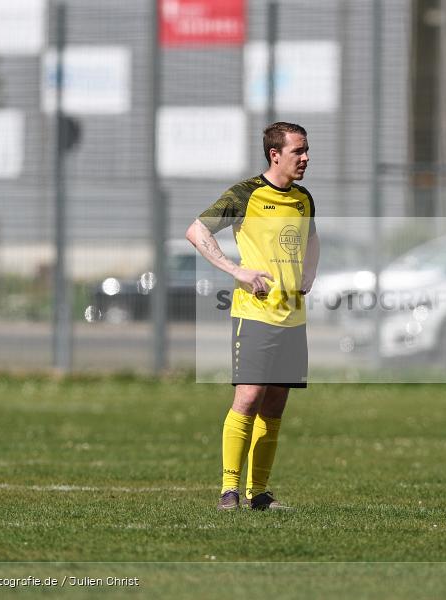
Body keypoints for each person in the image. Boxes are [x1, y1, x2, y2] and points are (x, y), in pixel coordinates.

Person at [186, 122, 319, 511]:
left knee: (275, 405)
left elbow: (312, 238)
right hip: (255, 316)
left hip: (293, 318)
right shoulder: (245, 194)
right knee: (248, 397)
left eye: (307, 150)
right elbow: (196, 231)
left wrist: (309, 273)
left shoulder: (304, 198)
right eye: (298, 151)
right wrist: (236, 271)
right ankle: (229, 490)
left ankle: (258, 493)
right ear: (275, 154)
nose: (306, 157)